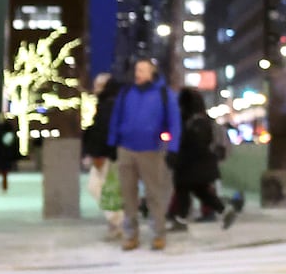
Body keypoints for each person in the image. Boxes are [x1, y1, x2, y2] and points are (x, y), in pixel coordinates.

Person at [106, 57, 181, 251]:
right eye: (136, 70)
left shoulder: (164, 93)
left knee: (154, 194)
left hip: (152, 150)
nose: (137, 73)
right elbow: (116, 118)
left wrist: (172, 148)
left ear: (151, 73)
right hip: (126, 148)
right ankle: (131, 234)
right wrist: (112, 143)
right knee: (128, 194)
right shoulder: (126, 93)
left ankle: (158, 233)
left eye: (142, 70)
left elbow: (174, 121)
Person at [168, 87, 243, 232]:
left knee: (184, 190)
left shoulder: (190, 121)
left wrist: (175, 158)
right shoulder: (205, 119)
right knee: (200, 191)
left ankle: (181, 219)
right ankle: (224, 210)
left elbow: (190, 143)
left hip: (190, 165)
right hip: (203, 165)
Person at [82, 74, 123, 238]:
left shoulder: (108, 104)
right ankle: (117, 220)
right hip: (109, 154)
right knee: (105, 188)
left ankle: (118, 221)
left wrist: (98, 154)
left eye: (99, 85)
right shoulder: (110, 103)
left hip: (106, 155)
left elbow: (103, 131)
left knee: (99, 187)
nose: (95, 88)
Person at [0, 113, 18, 191]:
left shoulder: (7, 128)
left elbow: (12, 140)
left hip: (5, 153)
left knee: (4, 170)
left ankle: (4, 184)